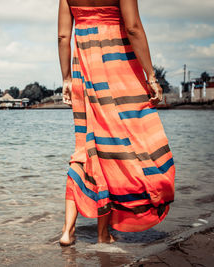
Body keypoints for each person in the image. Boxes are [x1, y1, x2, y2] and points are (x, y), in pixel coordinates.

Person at [57, 0, 175, 246]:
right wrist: (151, 76)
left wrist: (66, 77)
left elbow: (63, 36)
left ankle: (68, 231)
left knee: (85, 148)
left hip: (84, 71)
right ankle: (103, 233)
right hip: (118, 70)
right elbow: (132, 28)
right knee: (118, 149)